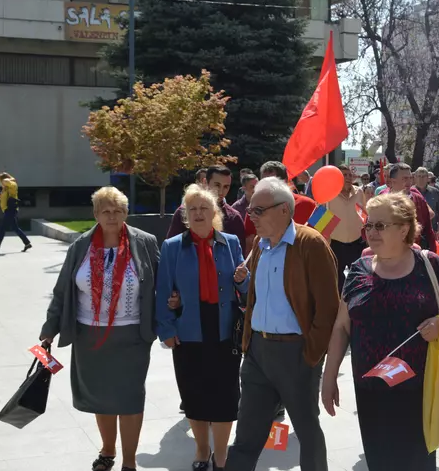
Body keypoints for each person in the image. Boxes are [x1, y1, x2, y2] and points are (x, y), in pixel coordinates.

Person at [321, 193, 439, 471]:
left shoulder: (429, 265)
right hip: (369, 387)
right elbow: (342, 326)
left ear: (404, 229)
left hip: (419, 388)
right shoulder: (358, 270)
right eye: (369, 225)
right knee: (379, 460)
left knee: (415, 461)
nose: (371, 232)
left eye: (381, 226)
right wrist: (329, 377)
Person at [40, 186, 159, 471]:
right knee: (100, 396)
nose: (112, 216)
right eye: (106, 211)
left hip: (131, 335)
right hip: (88, 336)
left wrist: (172, 307)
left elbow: (163, 282)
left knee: (130, 397)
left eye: (118, 211)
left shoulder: (145, 242)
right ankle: (108, 450)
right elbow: (62, 292)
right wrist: (49, 329)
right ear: (95, 214)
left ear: (126, 214)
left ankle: (129, 462)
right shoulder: (80, 246)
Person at [226, 178, 340, 471]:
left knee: (307, 432)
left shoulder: (310, 244)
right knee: (246, 436)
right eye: (251, 210)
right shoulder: (260, 247)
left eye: (259, 211)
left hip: (296, 354)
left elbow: (328, 306)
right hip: (257, 354)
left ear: (284, 211)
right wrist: (249, 344)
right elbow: (255, 298)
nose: (252, 217)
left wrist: (312, 354)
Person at [156, 184, 250, 471]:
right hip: (188, 331)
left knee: (225, 395)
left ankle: (221, 455)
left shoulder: (231, 242)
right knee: (193, 394)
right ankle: (201, 449)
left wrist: (242, 279)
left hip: (225, 330)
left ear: (215, 213)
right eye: (192, 209)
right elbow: (163, 292)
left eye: (203, 208)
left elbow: (243, 289)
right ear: (185, 215)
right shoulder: (172, 247)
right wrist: (167, 331)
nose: (198, 213)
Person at [167, 165, 249, 252]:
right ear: (205, 182)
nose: (221, 191)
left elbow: (239, 258)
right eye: (217, 185)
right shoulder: (184, 213)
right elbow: (170, 251)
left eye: (226, 187)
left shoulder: (234, 218)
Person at [329, 164, 367, 291]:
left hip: (357, 243)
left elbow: (364, 215)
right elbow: (319, 220)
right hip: (335, 244)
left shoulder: (359, 192)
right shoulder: (328, 195)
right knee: (337, 280)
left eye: (350, 175)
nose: (348, 177)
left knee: (358, 278)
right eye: (344, 175)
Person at [382, 163, 437, 250]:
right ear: (393, 181)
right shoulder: (382, 200)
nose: (409, 182)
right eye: (404, 178)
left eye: (410, 178)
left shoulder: (418, 199)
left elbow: (428, 229)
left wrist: (433, 253)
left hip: (415, 251)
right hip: (388, 251)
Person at [0, 172, 31, 254]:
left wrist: (7, 179)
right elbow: (5, 199)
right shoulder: (6, 188)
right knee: (15, 228)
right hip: (8, 210)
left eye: (0, 181)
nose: (0, 183)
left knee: (2, 228)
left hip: (11, 210)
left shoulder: (12, 184)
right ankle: (27, 243)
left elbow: (7, 181)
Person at [415, 167, 439, 234]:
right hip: (415, 231)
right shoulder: (410, 192)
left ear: (427, 178)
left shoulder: (435, 192)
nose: (421, 179)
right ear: (415, 177)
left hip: (432, 230)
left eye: (423, 176)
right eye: (419, 176)